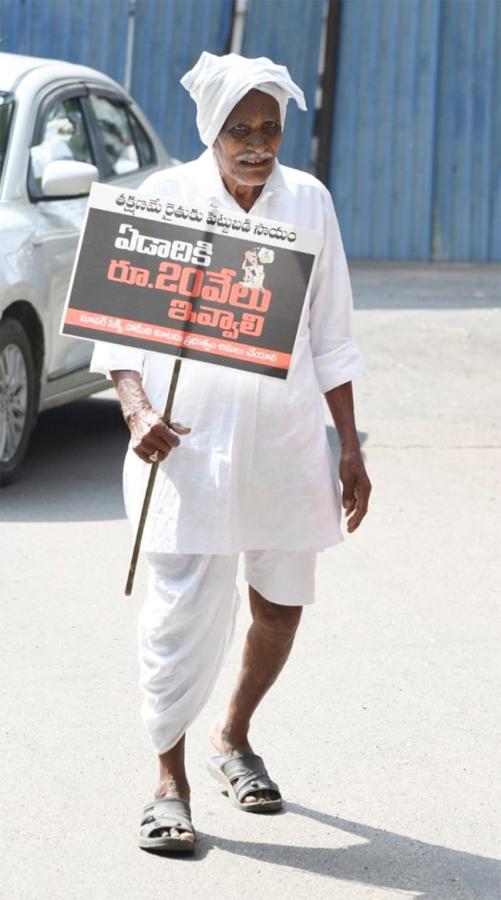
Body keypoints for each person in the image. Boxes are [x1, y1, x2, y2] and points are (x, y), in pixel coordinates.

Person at [90, 51, 371, 853]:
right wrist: (137, 408)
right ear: (210, 131)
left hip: (283, 441)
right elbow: (117, 327)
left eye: (269, 128)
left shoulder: (307, 202)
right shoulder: (166, 199)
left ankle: (231, 737)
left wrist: (348, 446)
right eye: (240, 130)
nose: (256, 143)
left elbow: (331, 336)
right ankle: (168, 783)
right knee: (178, 615)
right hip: (187, 444)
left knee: (280, 606)